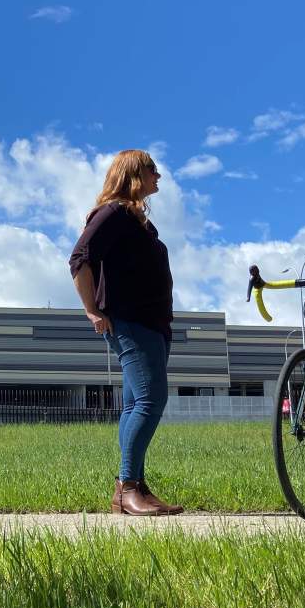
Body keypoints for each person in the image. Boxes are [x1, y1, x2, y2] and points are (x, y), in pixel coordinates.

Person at [68, 149, 183, 516]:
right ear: (134, 174)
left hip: (151, 325)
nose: (159, 177)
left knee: (135, 404)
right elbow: (79, 258)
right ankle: (126, 487)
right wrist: (91, 310)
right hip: (130, 322)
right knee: (151, 401)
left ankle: (137, 486)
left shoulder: (137, 221)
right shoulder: (113, 212)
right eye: (153, 170)